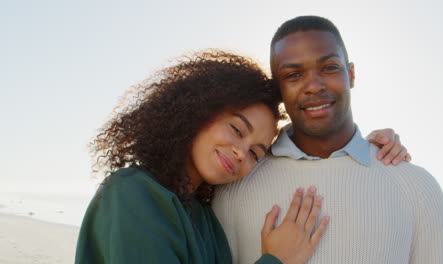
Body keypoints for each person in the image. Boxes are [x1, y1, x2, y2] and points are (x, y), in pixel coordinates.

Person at [75, 50, 409, 264]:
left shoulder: (202, 212)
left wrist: (361, 146)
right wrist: (276, 260)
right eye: (237, 130)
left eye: (255, 153)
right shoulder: (132, 193)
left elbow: (300, 147)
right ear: (199, 111)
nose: (240, 153)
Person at [212, 16, 443, 264]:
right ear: (278, 89)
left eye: (329, 68)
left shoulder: (417, 188)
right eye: (294, 74)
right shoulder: (233, 188)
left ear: (350, 74)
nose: (314, 86)